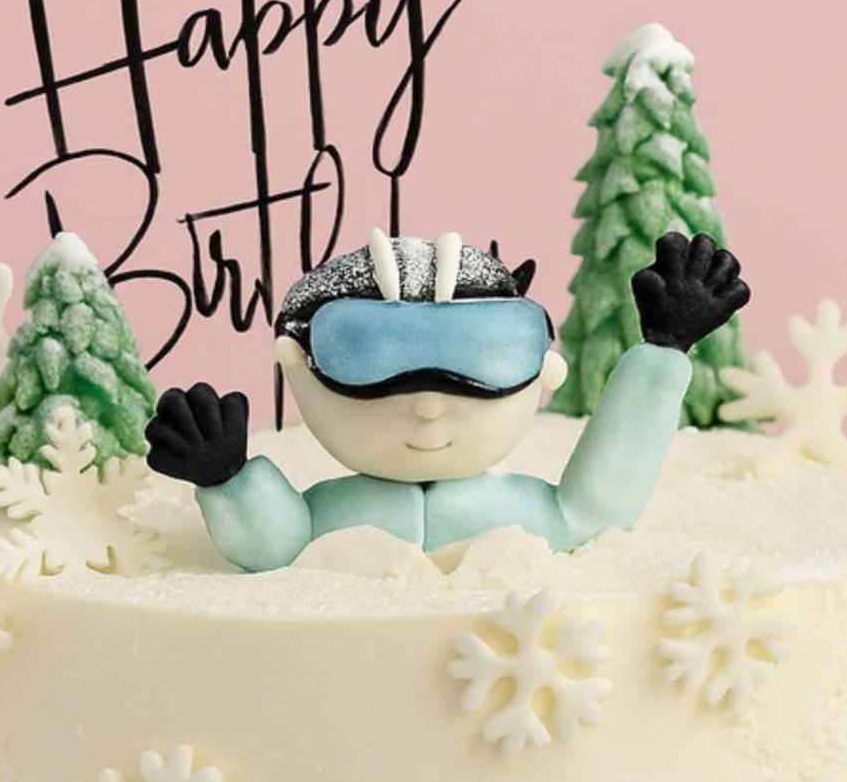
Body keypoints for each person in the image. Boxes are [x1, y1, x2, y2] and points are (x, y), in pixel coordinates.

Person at [145, 227, 748, 573]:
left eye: (483, 355)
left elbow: (601, 510)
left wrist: (662, 355)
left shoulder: (537, 517)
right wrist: (228, 479)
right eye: (370, 354)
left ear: (544, 375)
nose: (430, 402)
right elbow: (274, 546)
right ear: (297, 370)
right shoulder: (330, 517)